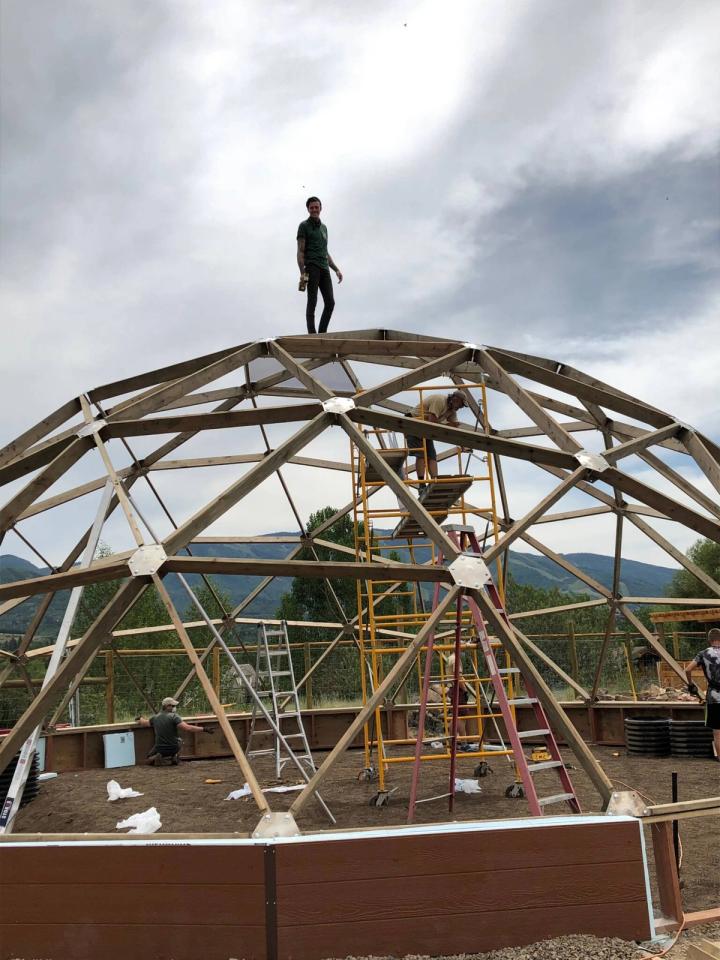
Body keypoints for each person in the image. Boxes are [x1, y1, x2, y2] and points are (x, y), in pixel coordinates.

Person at [404, 390, 468, 496]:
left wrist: (462, 445)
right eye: (461, 404)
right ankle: (421, 485)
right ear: (455, 399)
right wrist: (448, 425)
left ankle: (435, 482)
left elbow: (454, 428)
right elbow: (432, 421)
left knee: (432, 456)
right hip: (414, 423)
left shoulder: (451, 410)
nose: (461, 407)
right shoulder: (440, 401)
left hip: (426, 429)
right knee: (421, 455)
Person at [296, 196, 343, 334]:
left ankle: (322, 333)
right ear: (308, 209)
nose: (314, 210)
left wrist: (336, 269)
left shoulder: (324, 228)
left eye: (316, 207)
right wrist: (302, 272)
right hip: (311, 267)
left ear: (321, 208)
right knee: (313, 301)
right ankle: (312, 334)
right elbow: (300, 251)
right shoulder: (303, 226)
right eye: (312, 208)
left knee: (330, 302)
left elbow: (325, 252)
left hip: (324, 268)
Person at [138, 697, 208, 766]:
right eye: (173, 706)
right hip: (173, 747)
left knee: (148, 757)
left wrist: (140, 719)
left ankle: (158, 758)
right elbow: (188, 728)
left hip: (160, 748)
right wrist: (204, 729)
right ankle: (174, 756)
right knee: (180, 740)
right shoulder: (174, 717)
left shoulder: (155, 718)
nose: (174, 707)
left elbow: (144, 723)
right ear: (167, 706)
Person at [685, 627, 720, 761]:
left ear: (709, 640)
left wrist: (691, 685)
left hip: (714, 697)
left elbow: (688, 670)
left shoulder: (703, 654)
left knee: (717, 733)